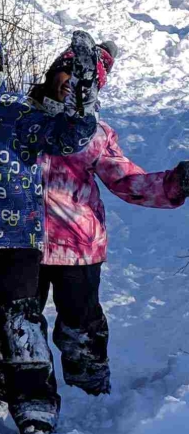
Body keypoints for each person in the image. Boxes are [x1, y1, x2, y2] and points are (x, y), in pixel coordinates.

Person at [0, 24, 100, 434]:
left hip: (16, 239)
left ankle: (36, 405)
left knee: (20, 320)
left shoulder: (16, 110)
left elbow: (69, 137)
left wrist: (82, 98)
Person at [29, 42, 189, 395]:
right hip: (24, 242)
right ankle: (4, 379)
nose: (70, 83)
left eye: (83, 80)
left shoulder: (94, 134)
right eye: (65, 72)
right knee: (17, 317)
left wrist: (175, 183)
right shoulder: (23, 120)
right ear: (53, 73)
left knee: (81, 321)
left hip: (78, 248)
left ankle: (88, 386)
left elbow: (126, 179)